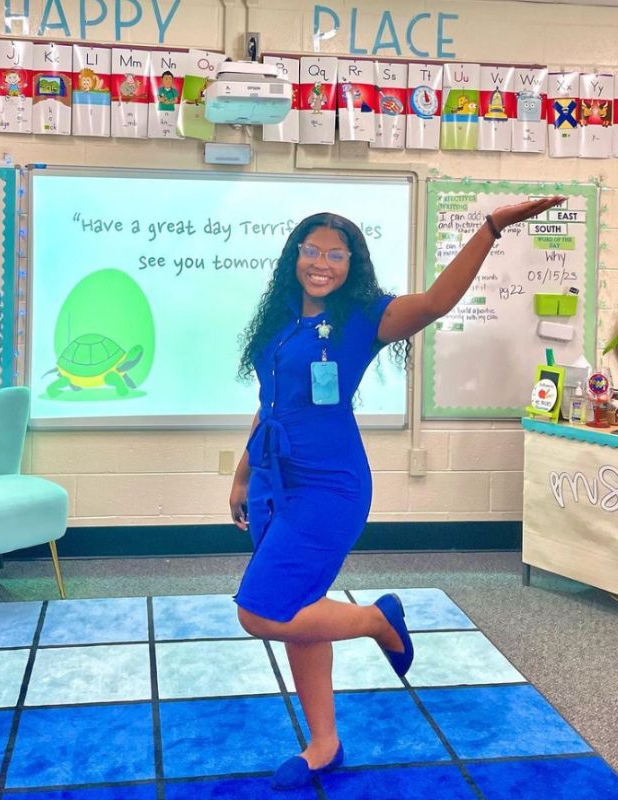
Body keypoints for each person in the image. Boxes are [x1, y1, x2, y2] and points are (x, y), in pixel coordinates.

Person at [229, 198, 564, 790]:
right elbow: (269, 403)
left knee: (260, 611)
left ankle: (377, 620)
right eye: (312, 250)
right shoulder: (279, 317)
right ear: (294, 256)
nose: (322, 263)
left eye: (337, 254)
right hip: (273, 483)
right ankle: (325, 744)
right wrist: (242, 474)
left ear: (352, 264)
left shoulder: (364, 318)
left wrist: (491, 227)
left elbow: (435, 303)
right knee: (301, 606)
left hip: (329, 486)